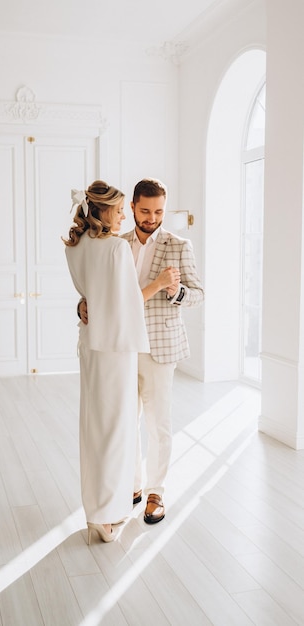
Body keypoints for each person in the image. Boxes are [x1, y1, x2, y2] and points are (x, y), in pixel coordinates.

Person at [79, 177, 204, 525]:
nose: (152, 218)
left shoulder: (179, 245)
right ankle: (131, 486)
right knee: (124, 421)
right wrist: (82, 306)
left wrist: (176, 292)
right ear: (132, 206)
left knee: (158, 423)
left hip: (160, 349)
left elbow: (198, 294)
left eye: (159, 211)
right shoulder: (115, 243)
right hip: (120, 349)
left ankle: (156, 493)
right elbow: (99, 291)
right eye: (145, 210)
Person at [63, 180, 173, 543]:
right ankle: (107, 519)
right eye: (121, 208)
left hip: (90, 346)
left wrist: (84, 306)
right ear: (104, 210)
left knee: (93, 428)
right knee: (116, 431)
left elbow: (88, 298)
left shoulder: (74, 246)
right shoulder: (115, 249)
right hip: (117, 350)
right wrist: (157, 284)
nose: (124, 214)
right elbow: (126, 304)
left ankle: (97, 510)